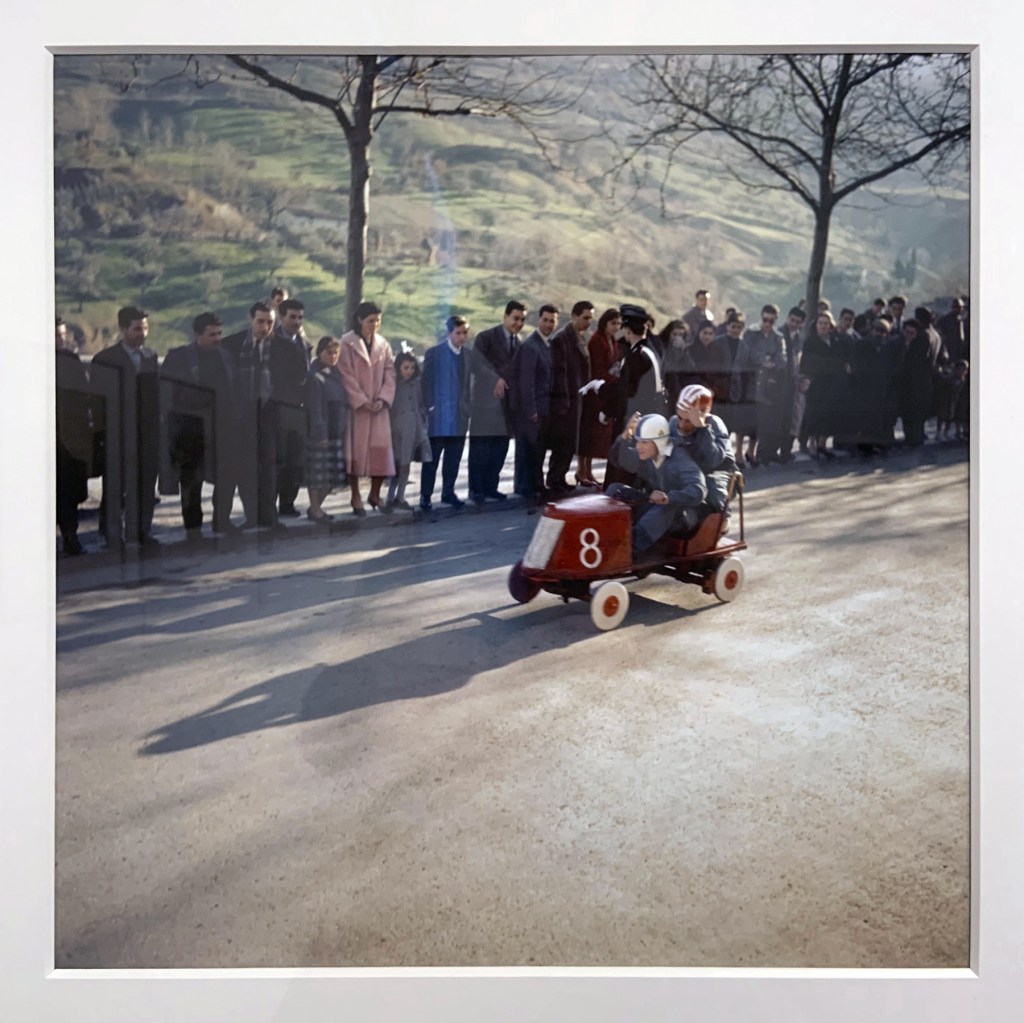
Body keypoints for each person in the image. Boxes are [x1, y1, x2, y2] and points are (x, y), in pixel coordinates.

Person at [223, 301, 307, 532]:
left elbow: (298, 378)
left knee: (270, 466)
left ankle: (269, 516)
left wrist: (284, 405)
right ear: (251, 319)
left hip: (271, 412)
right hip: (241, 413)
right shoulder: (233, 344)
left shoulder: (285, 347)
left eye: (269, 322)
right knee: (245, 467)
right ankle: (251, 515)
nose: (265, 327)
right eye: (260, 321)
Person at [161, 312, 239, 537]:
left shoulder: (226, 357)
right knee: (191, 480)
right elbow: (167, 395)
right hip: (190, 429)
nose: (217, 338)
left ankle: (222, 520)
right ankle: (193, 526)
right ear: (198, 334)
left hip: (222, 427)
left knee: (226, 477)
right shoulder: (178, 358)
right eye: (212, 334)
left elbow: (234, 390)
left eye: (219, 333)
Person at [91, 305, 161, 546]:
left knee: (145, 485)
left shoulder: (150, 357)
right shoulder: (105, 360)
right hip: (117, 434)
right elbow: (96, 401)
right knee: (115, 486)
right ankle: (111, 533)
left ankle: (142, 531)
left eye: (145, 328)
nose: (142, 334)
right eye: (137, 329)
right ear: (123, 329)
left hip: (146, 434)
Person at [606, 412, 707, 554]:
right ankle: (604, 531)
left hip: (682, 516)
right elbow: (620, 460)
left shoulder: (679, 458)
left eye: (644, 442)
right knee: (616, 489)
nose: (638, 446)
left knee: (665, 508)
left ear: (659, 442)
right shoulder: (649, 453)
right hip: (655, 506)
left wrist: (668, 497)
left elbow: (699, 490)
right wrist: (625, 436)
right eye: (638, 441)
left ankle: (631, 547)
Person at [338, 301, 397, 515]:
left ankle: (375, 493)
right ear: (359, 320)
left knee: (380, 451)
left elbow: (390, 373)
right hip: (357, 409)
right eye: (371, 321)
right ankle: (355, 496)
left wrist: (383, 398)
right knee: (355, 452)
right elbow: (345, 374)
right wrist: (362, 400)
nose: (375, 325)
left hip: (379, 408)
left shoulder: (383, 344)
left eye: (378, 321)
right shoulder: (347, 343)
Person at [467, 300, 526, 504]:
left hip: (506, 407)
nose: (519, 323)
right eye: (515, 318)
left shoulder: (519, 343)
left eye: (522, 320)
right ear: (505, 316)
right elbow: (477, 364)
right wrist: (496, 379)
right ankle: (476, 490)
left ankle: (491, 487)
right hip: (485, 404)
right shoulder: (486, 337)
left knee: (500, 448)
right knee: (480, 449)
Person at [420, 315, 472, 510]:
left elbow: (468, 384)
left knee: (453, 458)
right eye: (458, 333)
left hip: (459, 416)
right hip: (439, 416)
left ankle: (448, 493)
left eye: (465, 333)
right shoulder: (434, 353)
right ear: (449, 333)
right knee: (432, 458)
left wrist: (467, 408)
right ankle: (425, 495)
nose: (462, 337)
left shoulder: (468, 354)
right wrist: (431, 407)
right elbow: (426, 383)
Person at [511, 304, 559, 503]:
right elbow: (526, 381)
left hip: (545, 407)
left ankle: (536, 486)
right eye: (545, 320)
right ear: (539, 320)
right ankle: (526, 488)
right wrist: (531, 410)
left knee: (539, 451)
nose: (548, 324)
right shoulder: (531, 346)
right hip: (533, 409)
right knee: (528, 451)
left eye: (552, 321)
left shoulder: (549, 345)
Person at [55, 316, 94, 555]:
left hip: (68, 437)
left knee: (68, 492)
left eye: (62, 335)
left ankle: (70, 537)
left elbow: (83, 396)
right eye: (55, 336)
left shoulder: (70, 360)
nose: (60, 340)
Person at [547, 300, 593, 493]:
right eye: (585, 317)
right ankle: (554, 479)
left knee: (570, 442)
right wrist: (563, 401)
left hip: (577, 398)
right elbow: (560, 373)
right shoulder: (562, 339)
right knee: (562, 442)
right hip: (566, 400)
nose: (588, 322)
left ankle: (560, 477)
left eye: (590, 318)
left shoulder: (580, 337)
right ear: (574, 316)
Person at [669, 384, 738, 512]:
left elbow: (714, 460)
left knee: (711, 487)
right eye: (680, 418)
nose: (681, 425)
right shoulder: (673, 423)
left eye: (688, 420)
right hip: (691, 471)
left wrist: (702, 429)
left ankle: (721, 518)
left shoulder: (715, 424)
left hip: (719, 471)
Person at [273, 297, 311, 516]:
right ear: (282, 317)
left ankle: (287, 503)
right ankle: (269, 505)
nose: (297, 322)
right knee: (276, 459)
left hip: (298, 409)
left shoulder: (303, 343)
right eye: (292, 317)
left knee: (295, 460)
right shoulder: (272, 341)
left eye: (300, 318)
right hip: (277, 408)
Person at [304, 336, 348, 522]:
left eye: (336, 353)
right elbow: (314, 408)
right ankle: (315, 509)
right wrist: (321, 433)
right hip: (320, 433)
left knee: (334, 476)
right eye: (329, 352)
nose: (333, 356)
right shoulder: (314, 376)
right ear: (320, 352)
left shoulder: (336, 373)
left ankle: (316, 508)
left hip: (336, 430)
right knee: (318, 475)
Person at [577, 307, 621, 488]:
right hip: (594, 389)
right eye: (613, 323)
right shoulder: (597, 340)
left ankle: (588, 470)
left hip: (605, 389)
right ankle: (581, 470)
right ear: (605, 323)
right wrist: (611, 376)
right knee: (588, 434)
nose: (616, 327)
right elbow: (597, 367)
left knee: (595, 435)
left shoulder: (613, 340)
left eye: (618, 324)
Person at [800, 310, 849, 458]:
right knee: (814, 414)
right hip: (816, 383)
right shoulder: (810, 342)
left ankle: (822, 443)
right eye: (820, 323)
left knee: (829, 414)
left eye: (826, 323)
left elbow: (841, 359)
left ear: (830, 325)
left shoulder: (836, 340)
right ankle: (812, 443)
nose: (823, 326)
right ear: (816, 325)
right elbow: (808, 362)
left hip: (833, 382)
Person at [387, 349, 430, 511]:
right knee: (396, 463)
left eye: (412, 367)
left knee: (406, 463)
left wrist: (422, 418)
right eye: (405, 368)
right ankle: (390, 496)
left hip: (413, 427)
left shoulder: (416, 384)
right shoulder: (393, 384)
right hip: (396, 428)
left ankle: (400, 496)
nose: (409, 371)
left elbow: (421, 402)